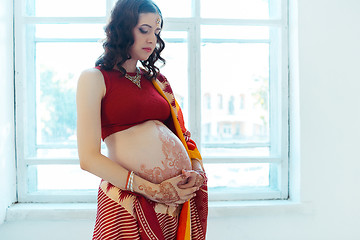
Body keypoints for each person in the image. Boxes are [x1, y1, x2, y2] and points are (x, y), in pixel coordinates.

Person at [76, 0, 208, 239]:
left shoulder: (158, 81)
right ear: (122, 28)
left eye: (156, 33)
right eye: (144, 30)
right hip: (126, 203)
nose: (152, 40)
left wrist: (197, 173)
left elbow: (183, 135)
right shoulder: (94, 78)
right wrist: (153, 189)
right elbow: (88, 158)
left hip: (171, 206)